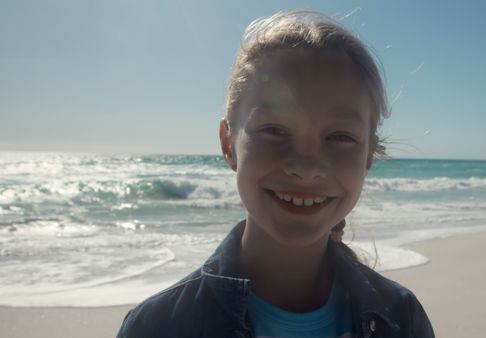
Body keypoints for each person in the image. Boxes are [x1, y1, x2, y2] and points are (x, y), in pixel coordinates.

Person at [117, 10, 435, 338]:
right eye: (274, 130)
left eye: (340, 137)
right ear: (229, 144)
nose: (306, 168)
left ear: (367, 156)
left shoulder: (401, 318)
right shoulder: (159, 327)